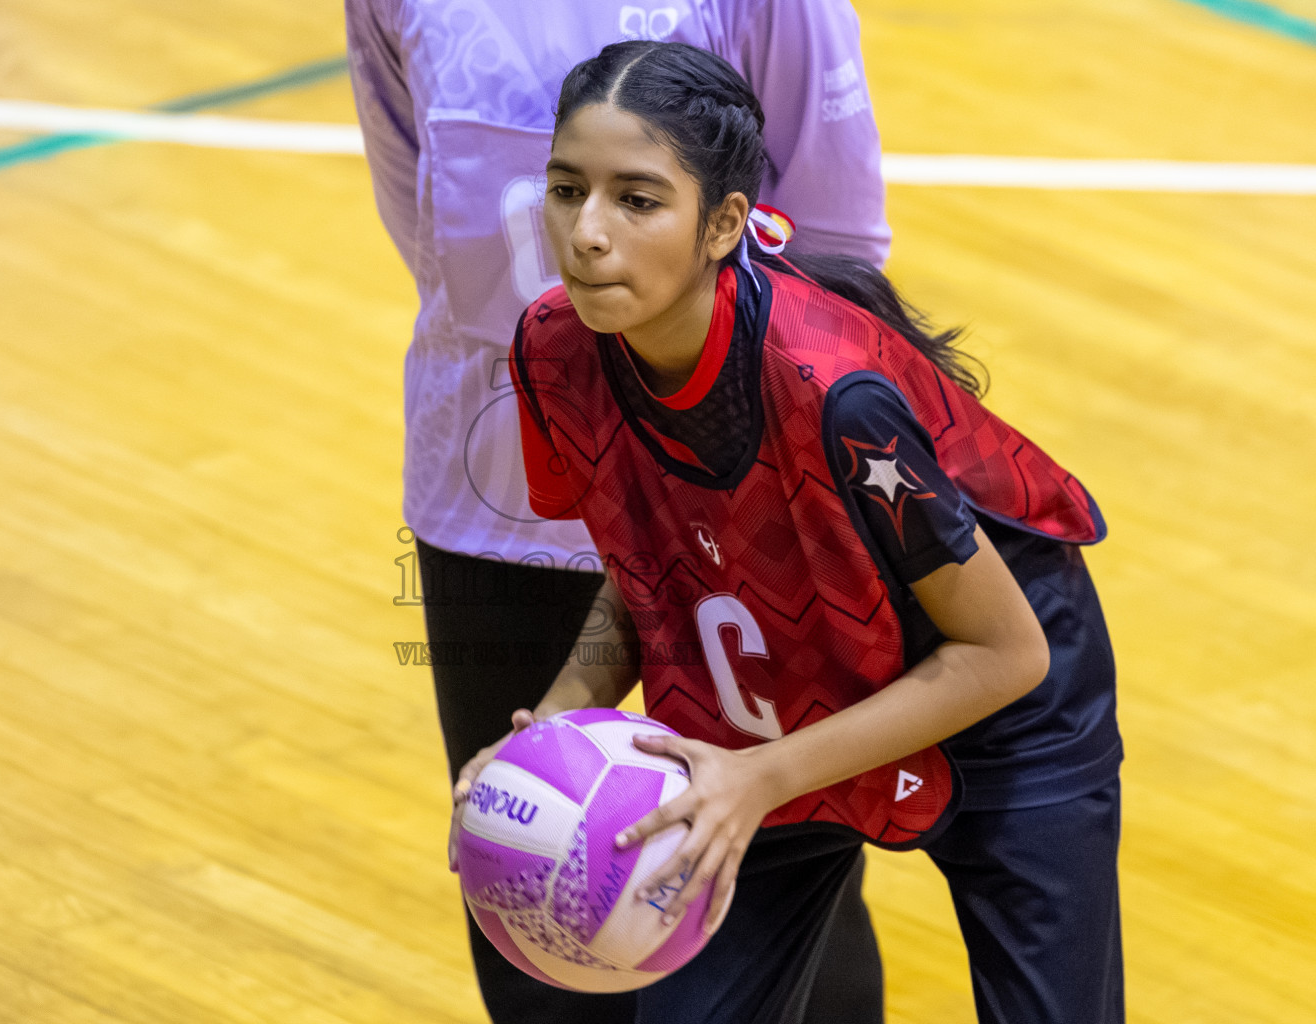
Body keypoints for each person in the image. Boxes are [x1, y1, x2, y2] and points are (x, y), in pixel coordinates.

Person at [452, 39, 1124, 1024]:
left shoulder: (832, 391)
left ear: (724, 222)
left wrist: (760, 778)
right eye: (566, 190)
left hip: (994, 716)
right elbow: (644, 569)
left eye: (637, 200)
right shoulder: (557, 349)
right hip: (767, 715)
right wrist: (553, 726)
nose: (587, 232)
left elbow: (1006, 651)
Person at [345, 1, 893, 1021]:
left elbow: (837, 241)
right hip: (494, 508)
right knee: (527, 878)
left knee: (779, 883)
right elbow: (416, 207)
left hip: (727, 504)